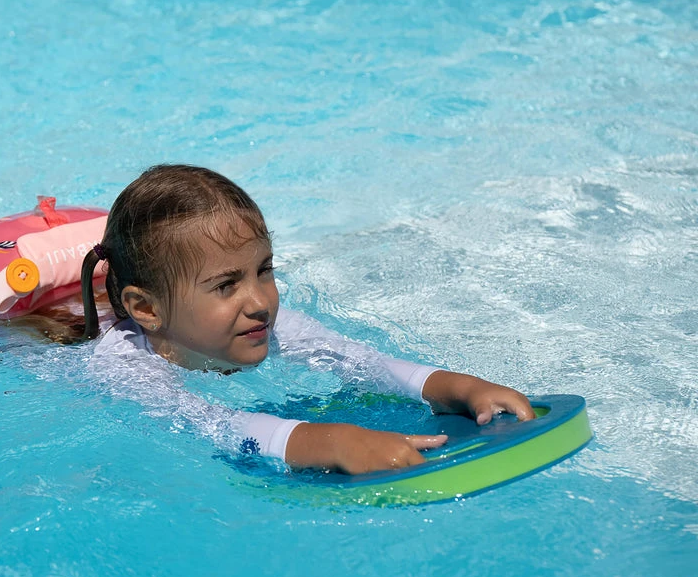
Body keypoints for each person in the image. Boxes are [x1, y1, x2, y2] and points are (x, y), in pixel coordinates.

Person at [78, 164, 534, 473]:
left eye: (264, 270)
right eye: (226, 285)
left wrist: (457, 387)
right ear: (147, 310)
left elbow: (361, 362)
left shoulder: (272, 327)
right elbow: (210, 425)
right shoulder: (124, 370)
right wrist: (334, 442)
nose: (260, 301)